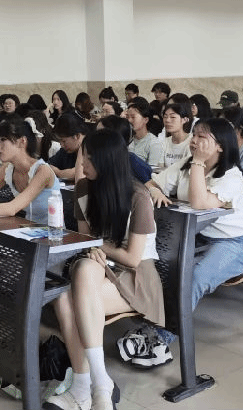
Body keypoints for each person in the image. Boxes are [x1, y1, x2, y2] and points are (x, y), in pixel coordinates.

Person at [43, 131, 163, 410]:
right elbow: (85, 239)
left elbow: (132, 258)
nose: (81, 164)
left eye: (88, 159)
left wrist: (98, 246)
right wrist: (93, 248)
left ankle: (86, 387)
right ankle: (95, 384)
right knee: (77, 278)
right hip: (98, 265)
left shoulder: (138, 197)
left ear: (106, 161)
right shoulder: (84, 189)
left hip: (136, 277)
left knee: (69, 295)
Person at [147, 118, 243, 313]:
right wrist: (156, 191)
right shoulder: (186, 164)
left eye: (201, 137)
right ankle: (154, 319)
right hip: (197, 237)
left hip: (236, 243)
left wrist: (198, 161)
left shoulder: (231, 176)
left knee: (193, 277)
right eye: (194, 135)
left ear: (220, 146)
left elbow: (200, 204)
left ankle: (166, 329)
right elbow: (151, 184)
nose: (194, 141)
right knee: (158, 266)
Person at [99, 115, 153, 184]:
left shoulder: (132, 162)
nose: (94, 138)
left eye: (99, 135)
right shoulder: (96, 159)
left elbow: (149, 185)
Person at [48, 113, 87, 181]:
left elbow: (79, 173)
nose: (61, 145)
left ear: (77, 136)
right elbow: (47, 166)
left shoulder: (93, 149)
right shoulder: (65, 151)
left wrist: (58, 172)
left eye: (64, 141)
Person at [126, 100, 163, 166]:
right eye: (127, 117)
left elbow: (152, 170)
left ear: (145, 120)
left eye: (133, 117)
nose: (129, 120)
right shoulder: (127, 139)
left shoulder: (153, 143)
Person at [158, 101, 192, 168]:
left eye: (172, 117)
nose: (167, 120)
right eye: (165, 117)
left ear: (185, 120)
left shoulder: (192, 142)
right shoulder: (163, 143)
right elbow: (160, 168)